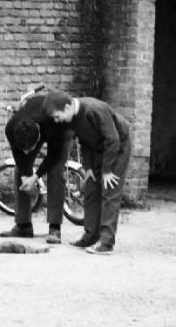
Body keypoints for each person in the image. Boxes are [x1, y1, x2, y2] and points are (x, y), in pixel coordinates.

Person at [43, 90, 131, 255]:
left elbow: (113, 139)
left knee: (109, 191)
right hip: (99, 147)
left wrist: (106, 170)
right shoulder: (71, 119)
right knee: (91, 188)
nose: (57, 121)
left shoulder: (94, 109)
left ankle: (106, 242)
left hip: (118, 146)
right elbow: (85, 141)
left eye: (57, 116)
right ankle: (91, 236)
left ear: (68, 106)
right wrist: (89, 168)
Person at [0, 84, 74, 244]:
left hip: (61, 129)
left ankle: (55, 228)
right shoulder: (11, 128)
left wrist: (36, 176)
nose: (27, 153)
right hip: (32, 119)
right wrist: (27, 176)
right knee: (20, 171)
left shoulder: (53, 123)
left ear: (39, 134)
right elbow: (19, 155)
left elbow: (53, 155)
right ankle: (23, 225)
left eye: (31, 149)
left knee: (55, 171)